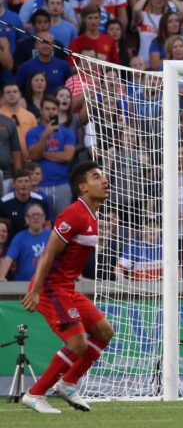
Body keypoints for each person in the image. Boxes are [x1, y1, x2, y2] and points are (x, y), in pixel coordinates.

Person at [20, 161, 114, 414]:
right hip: (51, 288)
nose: (104, 180)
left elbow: (71, 258)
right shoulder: (74, 214)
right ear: (83, 187)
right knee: (77, 343)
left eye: (103, 176)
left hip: (67, 288)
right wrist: (36, 290)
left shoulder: (92, 214)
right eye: (97, 177)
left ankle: (69, 382)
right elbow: (48, 254)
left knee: (104, 331)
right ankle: (35, 393)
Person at [0, 204, 50, 281]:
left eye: (39, 215)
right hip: (24, 286)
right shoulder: (19, 238)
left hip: (48, 284)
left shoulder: (52, 236)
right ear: (26, 219)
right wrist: (1, 277)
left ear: (44, 218)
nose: (36, 217)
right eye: (33, 215)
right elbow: (8, 259)